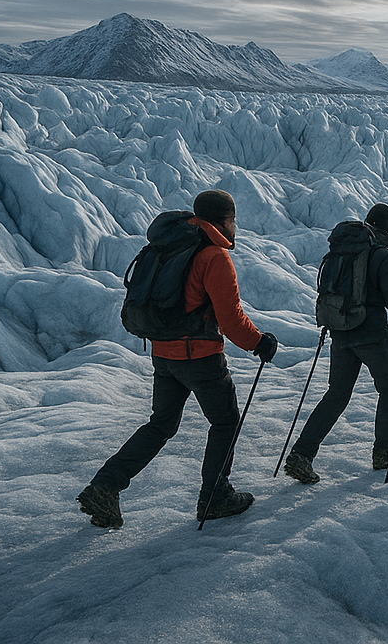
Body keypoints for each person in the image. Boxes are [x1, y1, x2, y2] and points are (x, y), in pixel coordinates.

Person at [77, 189, 278, 529]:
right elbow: (230, 320)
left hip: (163, 354)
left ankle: (105, 485)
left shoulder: (170, 245)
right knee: (225, 421)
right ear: (223, 221)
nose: (234, 227)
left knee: (161, 425)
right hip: (199, 357)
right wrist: (259, 343)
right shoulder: (214, 256)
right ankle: (216, 497)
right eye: (233, 221)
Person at [283, 203, 388, 482]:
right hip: (373, 336)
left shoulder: (340, 251)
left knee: (336, 394)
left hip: (340, 333)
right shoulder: (384, 257)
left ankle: (301, 454)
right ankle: (385, 452)